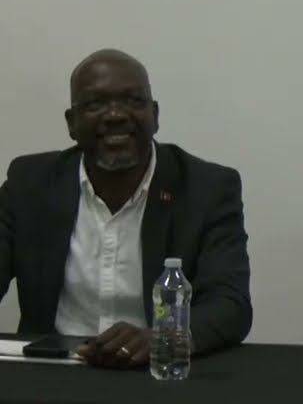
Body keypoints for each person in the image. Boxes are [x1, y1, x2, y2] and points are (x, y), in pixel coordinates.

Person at [0, 49, 253, 368]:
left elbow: (230, 305)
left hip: (158, 370)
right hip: (53, 370)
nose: (116, 115)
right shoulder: (30, 184)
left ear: (155, 115)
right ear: (71, 123)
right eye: (95, 104)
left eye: (133, 100)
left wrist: (165, 338)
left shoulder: (206, 188)